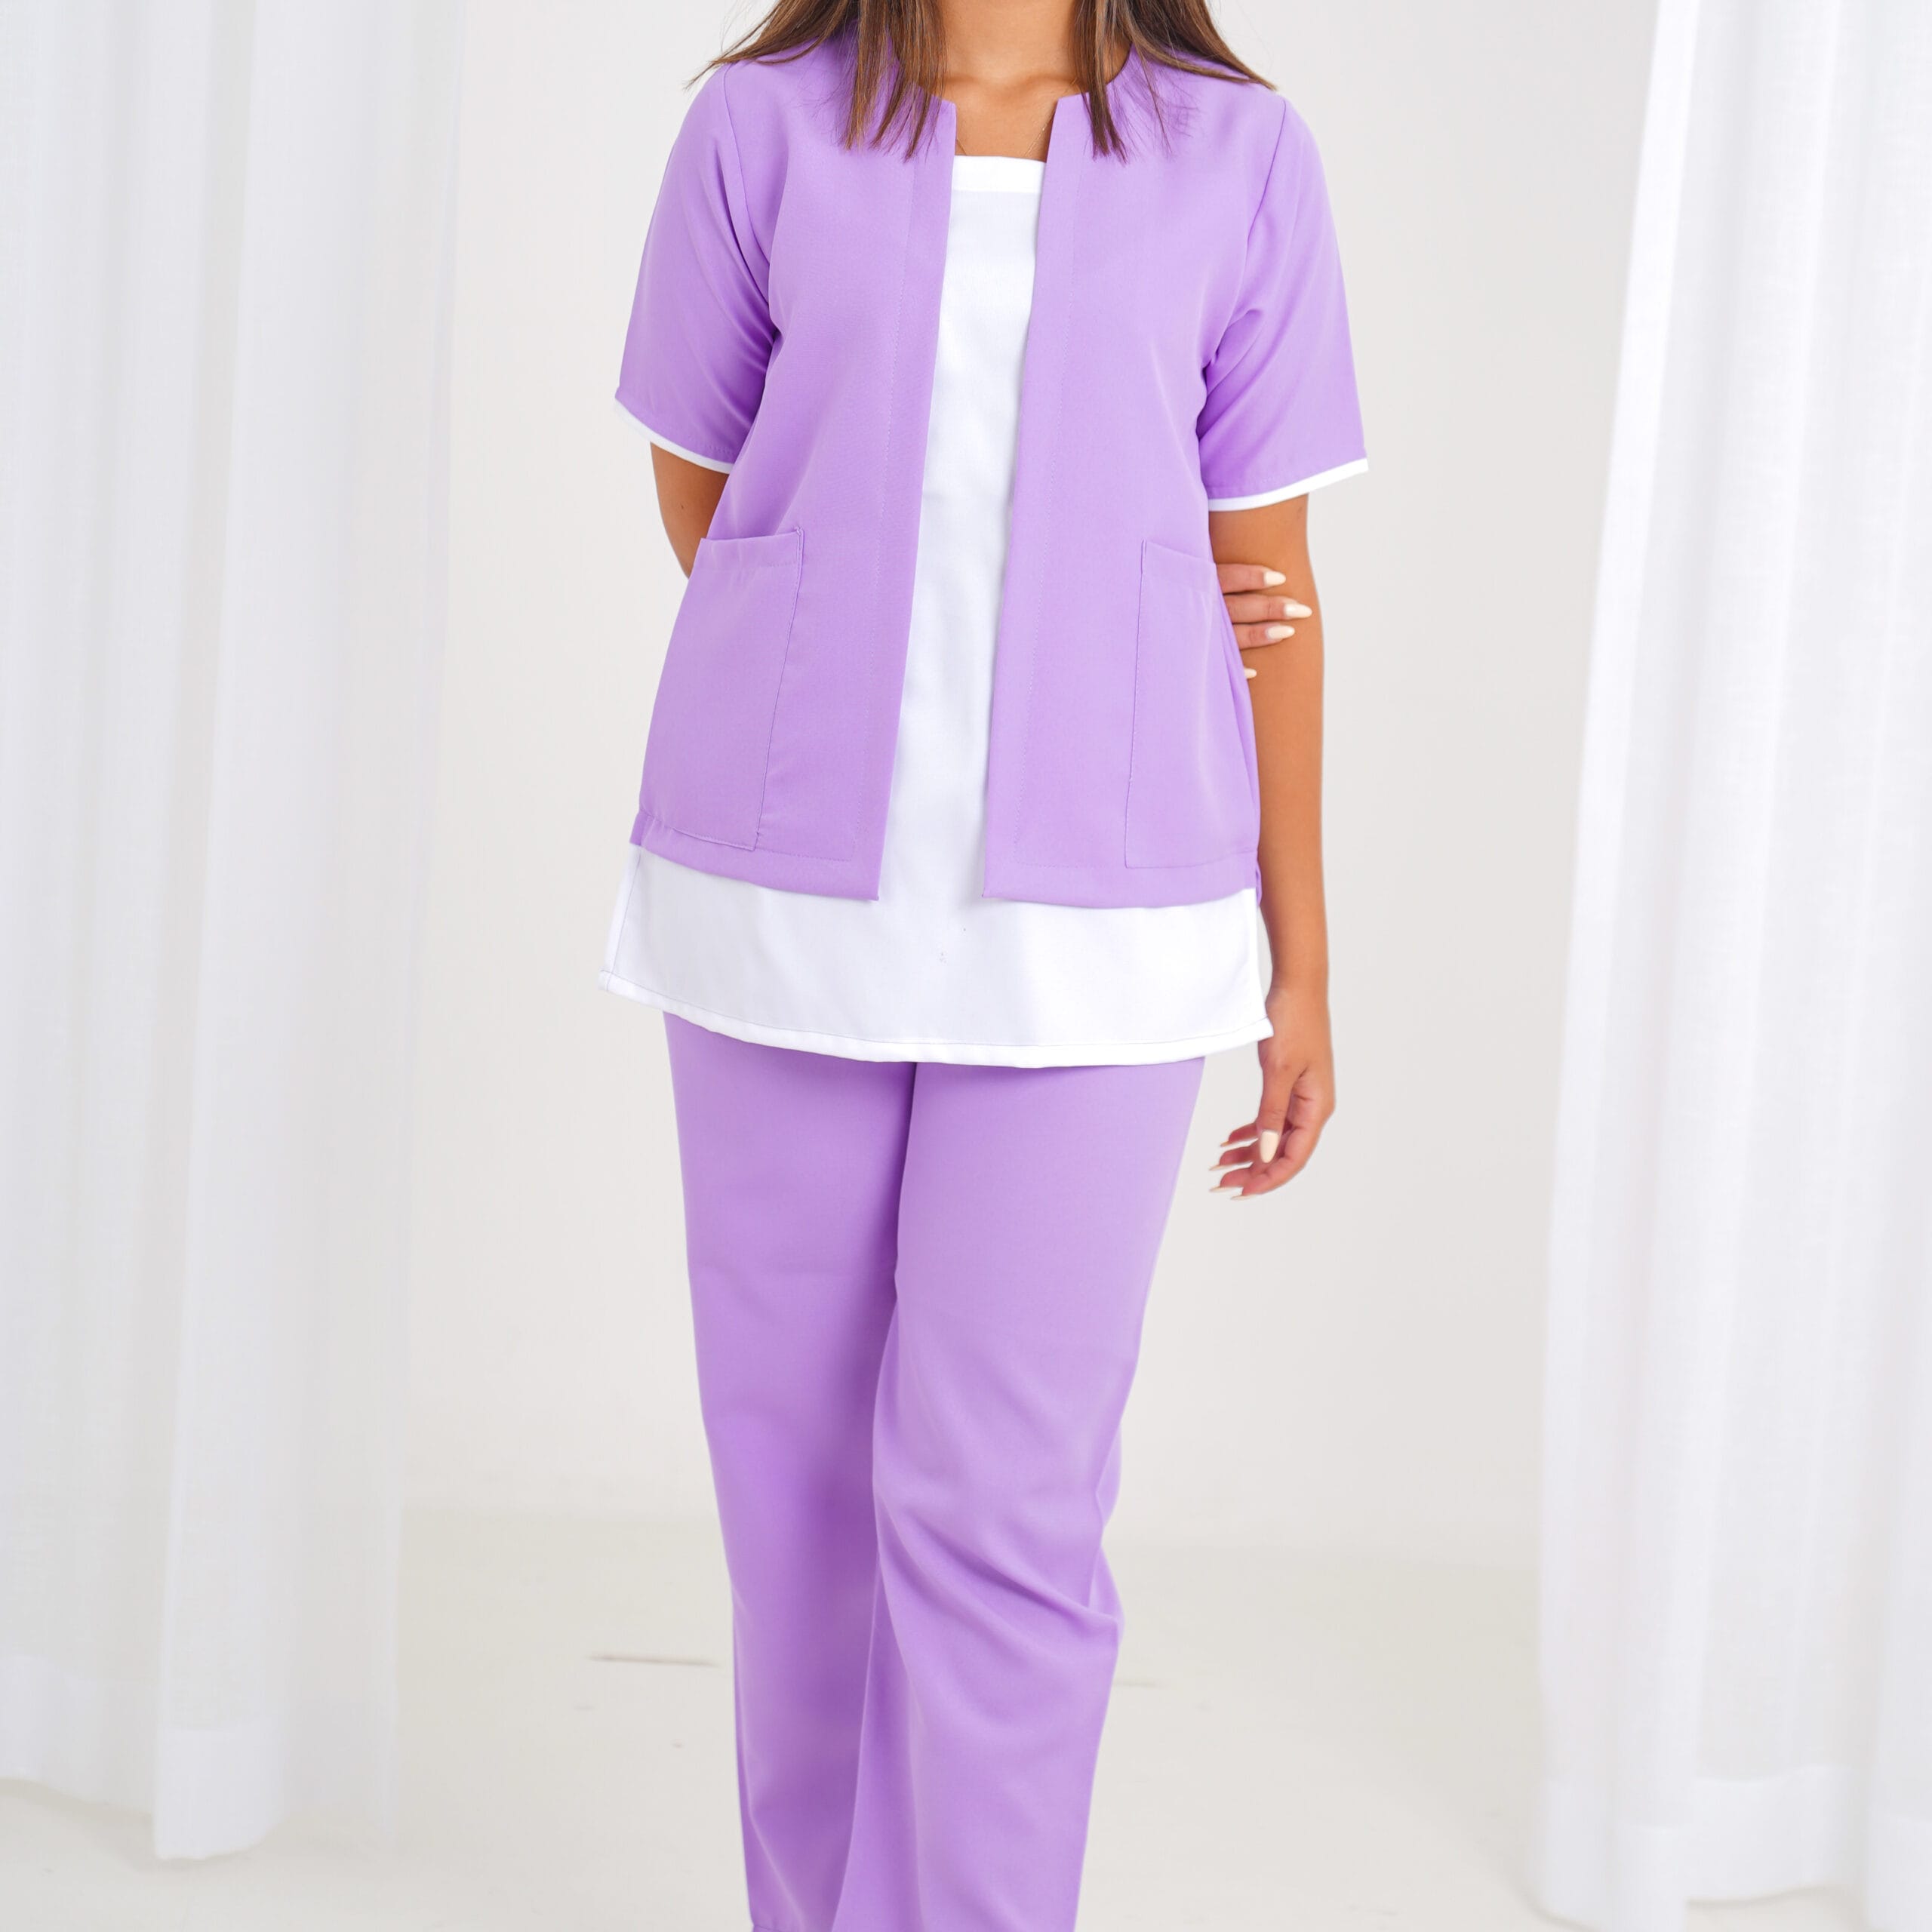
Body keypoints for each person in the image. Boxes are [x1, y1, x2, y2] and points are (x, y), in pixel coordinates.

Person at [598, 1, 1365, 1924]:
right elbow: (712, 494)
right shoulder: (757, 130)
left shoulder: (1236, 155)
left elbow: (1266, 583)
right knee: (795, 1512)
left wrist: (1299, 956)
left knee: (1003, 1513)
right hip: (782, 909)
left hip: (1103, 923)